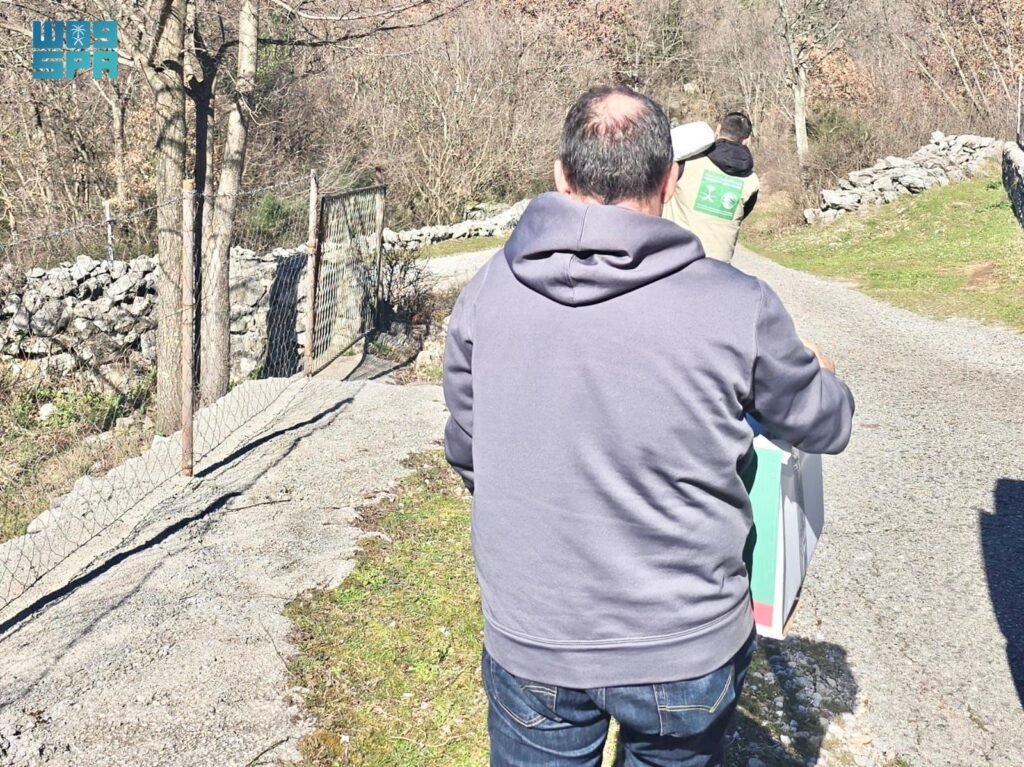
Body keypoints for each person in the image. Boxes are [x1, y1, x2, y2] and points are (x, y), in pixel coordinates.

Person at [442, 85, 854, 767]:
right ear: (670, 181)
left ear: (561, 176)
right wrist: (825, 376)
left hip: (535, 636)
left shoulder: (487, 291)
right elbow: (824, 423)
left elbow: (468, 449)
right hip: (685, 644)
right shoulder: (736, 304)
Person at [663, 111, 760, 264]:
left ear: (718, 129)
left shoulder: (687, 163)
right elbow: (742, 214)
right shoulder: (752, 181)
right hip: (719, 266)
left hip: (675, 259)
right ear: (747, 140)